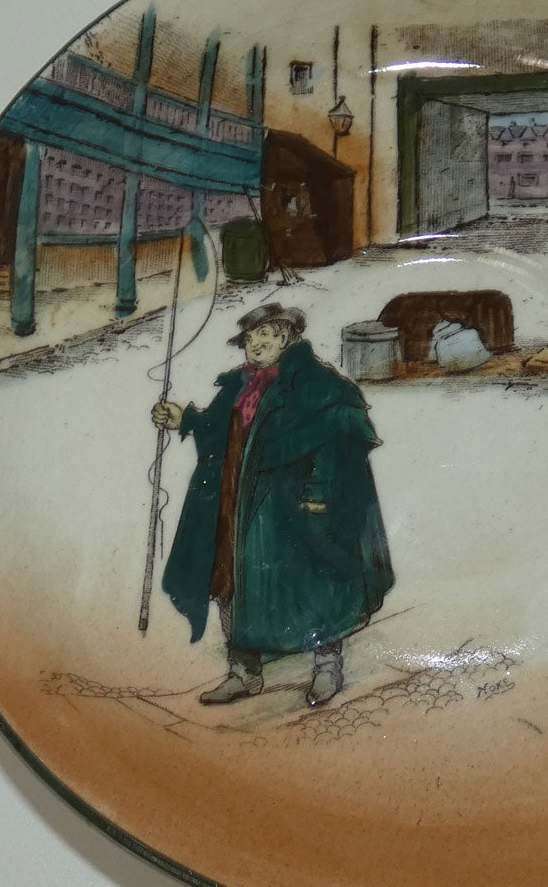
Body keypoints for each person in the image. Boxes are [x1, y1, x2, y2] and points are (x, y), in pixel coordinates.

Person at [151, 303, 394, 708]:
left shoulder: (319, 385)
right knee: (232, 579)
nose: (256, 344)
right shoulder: (240, 384)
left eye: (266, 334)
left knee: (316, 580)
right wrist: (186, 420)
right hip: (238, 503)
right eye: (250, 337)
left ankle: (327, 666)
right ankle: (243, 673)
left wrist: (319, 497)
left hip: (295, 508)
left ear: (287, 337)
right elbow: (219, 432)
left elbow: (337, 442)